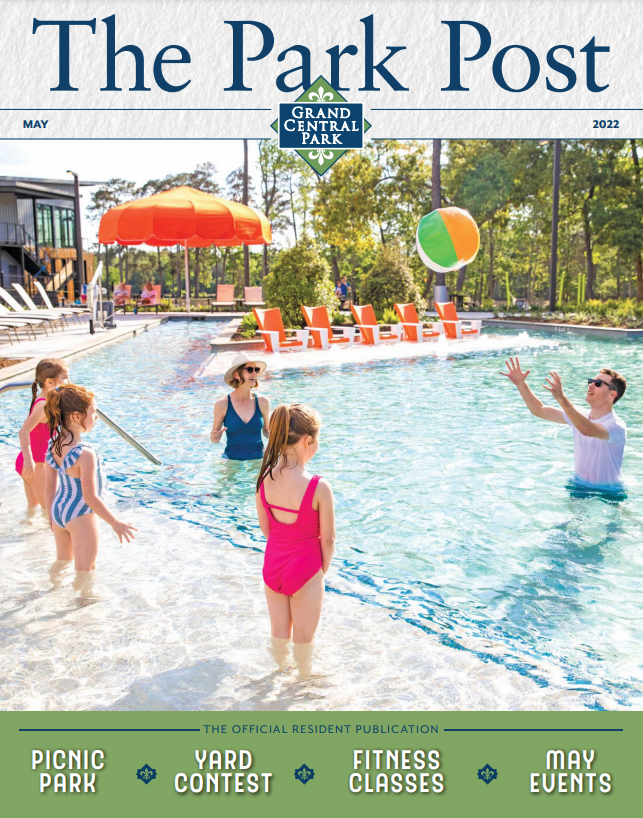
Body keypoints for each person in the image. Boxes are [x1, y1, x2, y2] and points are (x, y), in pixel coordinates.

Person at [255, 404, 335, 677]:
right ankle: (304, 680)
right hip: (305, 568)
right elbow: (329, 539)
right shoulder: (319, 486)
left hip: (273, 565)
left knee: (279, 632)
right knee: (304, 637)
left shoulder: (264, 478)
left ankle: (280, 670)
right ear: (307, 441)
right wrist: (319, 571)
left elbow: (266, 529)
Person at [44, 384, 136, 586]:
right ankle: (84, 608)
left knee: (63, 561)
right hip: (80, 515)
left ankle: (52, 591)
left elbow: (49, 488)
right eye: (93, 413)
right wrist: (115, 522)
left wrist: (51, 516)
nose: (96, 418)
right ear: (77, 417)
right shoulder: (84, 453)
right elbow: (90, 497)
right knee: (86, 571)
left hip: (58, 510)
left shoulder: (53, 444)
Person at [501, 357, 627, 489]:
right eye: (591, 381)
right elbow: (538, 410)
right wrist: (520, 384)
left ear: (612, 394)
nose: (590, 385)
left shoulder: (616, 426)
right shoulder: (578, 415)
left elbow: (587, 429)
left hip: (610, 492)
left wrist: (561, 398)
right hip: (578, 486)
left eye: (598, 383)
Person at [15, 359, 70, 512]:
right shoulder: (43, 405)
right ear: (49, 382)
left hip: (30, 462)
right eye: (65, 377)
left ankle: (27, 536)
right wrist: (29, 460)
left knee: (33, 510)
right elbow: (23, 431)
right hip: (35, 464)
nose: (68, 381)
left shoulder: (48, 401)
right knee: (50, 512)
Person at [211, 353, 270, 461]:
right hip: (231, 461)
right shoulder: (222, 404)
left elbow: (266, 431)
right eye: (249, 369)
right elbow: (214, 438)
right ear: (237, 375)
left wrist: (280, 436)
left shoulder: (263, 402)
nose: (254, 373)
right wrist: (216, 437)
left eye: (256, 370)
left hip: (258, 460)